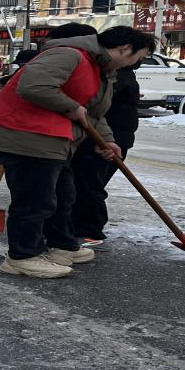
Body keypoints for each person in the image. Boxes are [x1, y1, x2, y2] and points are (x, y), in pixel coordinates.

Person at [0, 25, 155, 279]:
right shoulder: (70, 55)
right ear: (124, 48)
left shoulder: (100, 69)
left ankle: (62, 246)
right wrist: (70, 106)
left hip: (54, 140)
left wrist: (106, 140)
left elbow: (93, 112)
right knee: (35, 200)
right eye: (137, 58)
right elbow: (33, 86)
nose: (136, 64)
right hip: (26, 135)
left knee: (63, 196)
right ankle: (22, 256)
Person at [70, 62, 141, 244]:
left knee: (89, 185)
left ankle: (89, 231)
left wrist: (101, 140)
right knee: (86, 183)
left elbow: (95, 109)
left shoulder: (117, 77)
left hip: (107, 140)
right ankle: (78, 227)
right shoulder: (117, 74)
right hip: (108, 138)